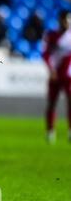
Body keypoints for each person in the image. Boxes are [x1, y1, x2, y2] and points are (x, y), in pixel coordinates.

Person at [42, 10, 71, 144]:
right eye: (64, 19)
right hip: (55, 75)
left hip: (69, 76)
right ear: (59, 20)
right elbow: (46, 54)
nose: (66, 22)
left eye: (68, 19)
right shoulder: (52, 35)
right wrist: (51, 69)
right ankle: (50, 131)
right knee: (52, 103)